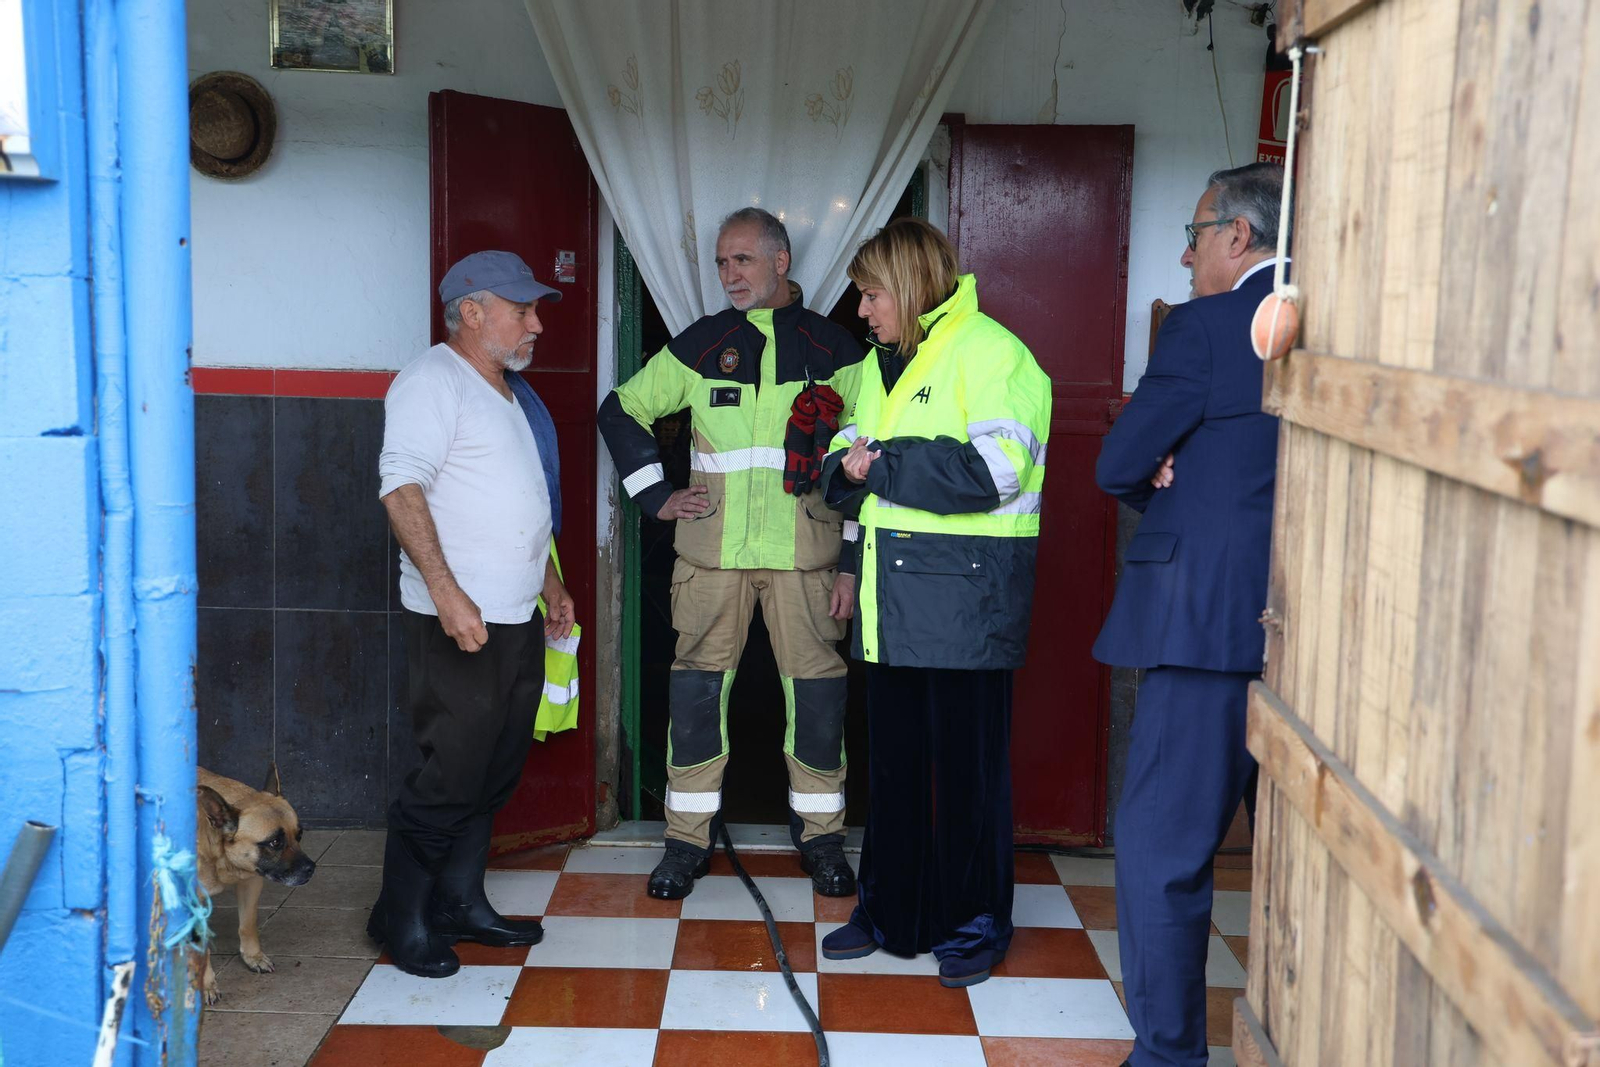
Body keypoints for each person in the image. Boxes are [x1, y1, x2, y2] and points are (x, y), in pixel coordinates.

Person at [597, 208, 867, 899]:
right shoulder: (701, 343)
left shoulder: (837, 348)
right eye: (721, 262)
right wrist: (654, 495)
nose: (729, 274)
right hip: (711, 556)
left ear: (781, 261)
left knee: (817, 700)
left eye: (742, 260)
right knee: (694, 694)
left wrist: (851, 563)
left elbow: (870, 458)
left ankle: (823, 838)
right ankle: (686, 841)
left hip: (806, 556)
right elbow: (620, 409)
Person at [815, 217, 1052, 989]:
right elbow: (837, 465)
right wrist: (847, 479)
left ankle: (974, 922)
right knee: (894, 769)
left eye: (872, 292)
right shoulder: (879, 366)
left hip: (965, 607)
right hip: (889, 603)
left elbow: (998, 470)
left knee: (967, 776)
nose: (862, 309)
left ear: (912, 288)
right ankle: (891, 912)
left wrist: (876, 464)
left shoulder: (994, 352)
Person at [1092, 162, 1285, 1067]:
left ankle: (1170, 1054)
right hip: (1304, 632)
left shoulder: (1210, 326)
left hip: (1203, 624)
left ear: (1237, 236)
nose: (1186, 250)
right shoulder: (1346, 322)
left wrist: (1158, 461)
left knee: (1161, 848)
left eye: (1196, 231)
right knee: (1297, 868)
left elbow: (1120, 458)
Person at [371, 250, 577, 978]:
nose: (537, 323)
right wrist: (449, 592)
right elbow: (401, 488)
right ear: (471, 312)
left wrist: (551, 579)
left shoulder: (508, 391)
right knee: (449, 774)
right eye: (522, 309)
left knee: (492, 770)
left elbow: (521, 498)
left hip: (516, 616)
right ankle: (401, 921)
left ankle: (459, 902)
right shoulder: (433, 380)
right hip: (459, 619)